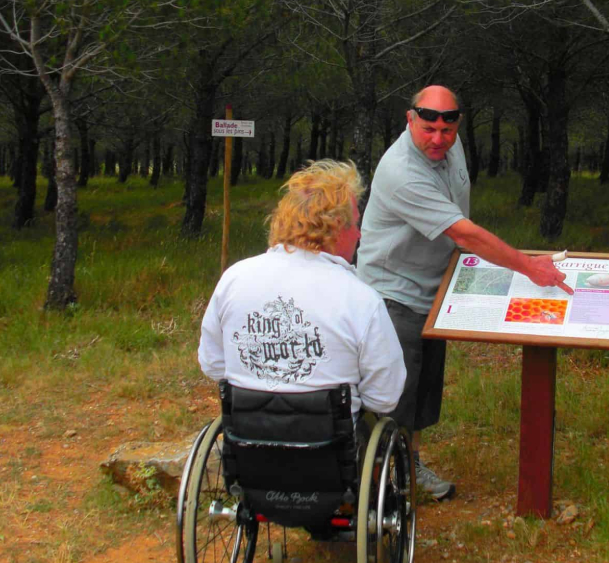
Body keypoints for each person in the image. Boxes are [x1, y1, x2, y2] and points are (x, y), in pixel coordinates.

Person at [357, 85, 571, 500]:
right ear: (409, 120)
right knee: (392, 398)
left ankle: (409, 470)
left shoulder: (450, 149)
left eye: (446, 129)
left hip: (434, 292)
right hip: (392, 295)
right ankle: (380, 484)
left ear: (456, 124)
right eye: (428, 129)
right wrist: (529, 266)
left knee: (420, 396)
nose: (437, 139)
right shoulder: (401, 171)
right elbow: (463, 232)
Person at [199, 159, 406, 421]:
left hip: (247, 441)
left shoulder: (234, 279)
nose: (359, 235)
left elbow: (213, 364)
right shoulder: (360, 298)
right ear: (335, 228)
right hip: (328, 450)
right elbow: (384, 397)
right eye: (355, 224)